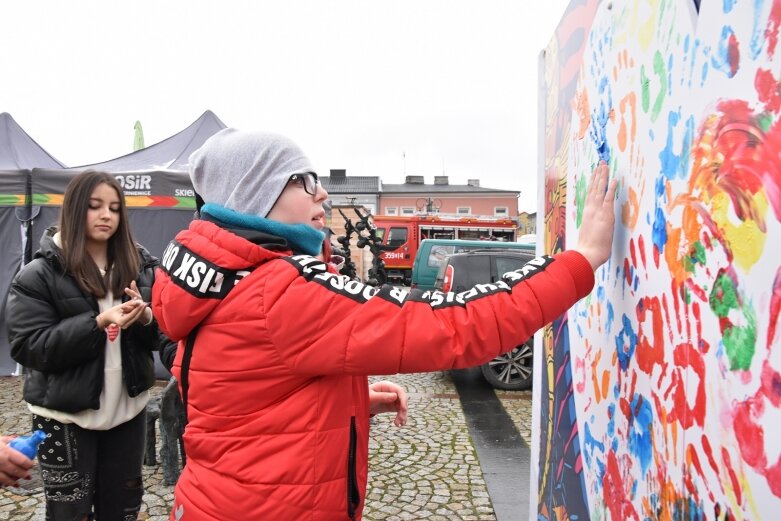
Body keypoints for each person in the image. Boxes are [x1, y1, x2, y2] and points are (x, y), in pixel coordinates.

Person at [152, 129, 617, 521]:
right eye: (304, 180)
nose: (322, 193)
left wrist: (348, 400)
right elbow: (455, 324)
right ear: (256, 196)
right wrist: (581, 260)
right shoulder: (280, 291)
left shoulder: (226, 278)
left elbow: (241, 397)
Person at [5, 170, 171, 521]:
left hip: (127, 414)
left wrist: (144, 318)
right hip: (63, 418)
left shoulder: (141, 268)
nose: (106, 215)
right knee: (69, 514)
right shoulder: (39, 274)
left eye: (114, 207)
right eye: (95, 206)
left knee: (123, 510)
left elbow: (163, 334)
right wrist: (97, 322)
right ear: (75, 209)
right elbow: (29, 347)